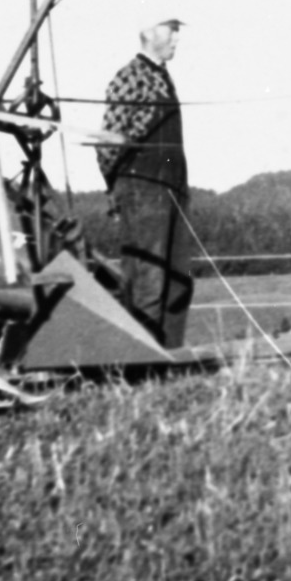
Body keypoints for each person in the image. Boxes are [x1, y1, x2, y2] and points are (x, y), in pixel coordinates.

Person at [98, 17, 193, 347]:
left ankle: (170, 358)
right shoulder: (130, 76)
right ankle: (141, 359)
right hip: (143, 186)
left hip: (173, 187)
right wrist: (117, 189)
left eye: (177, 33)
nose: (177, 39)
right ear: (149, 34)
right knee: (147, 279)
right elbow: (108, 142)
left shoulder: (163, 76)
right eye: (171, 32)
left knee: (178, 280)